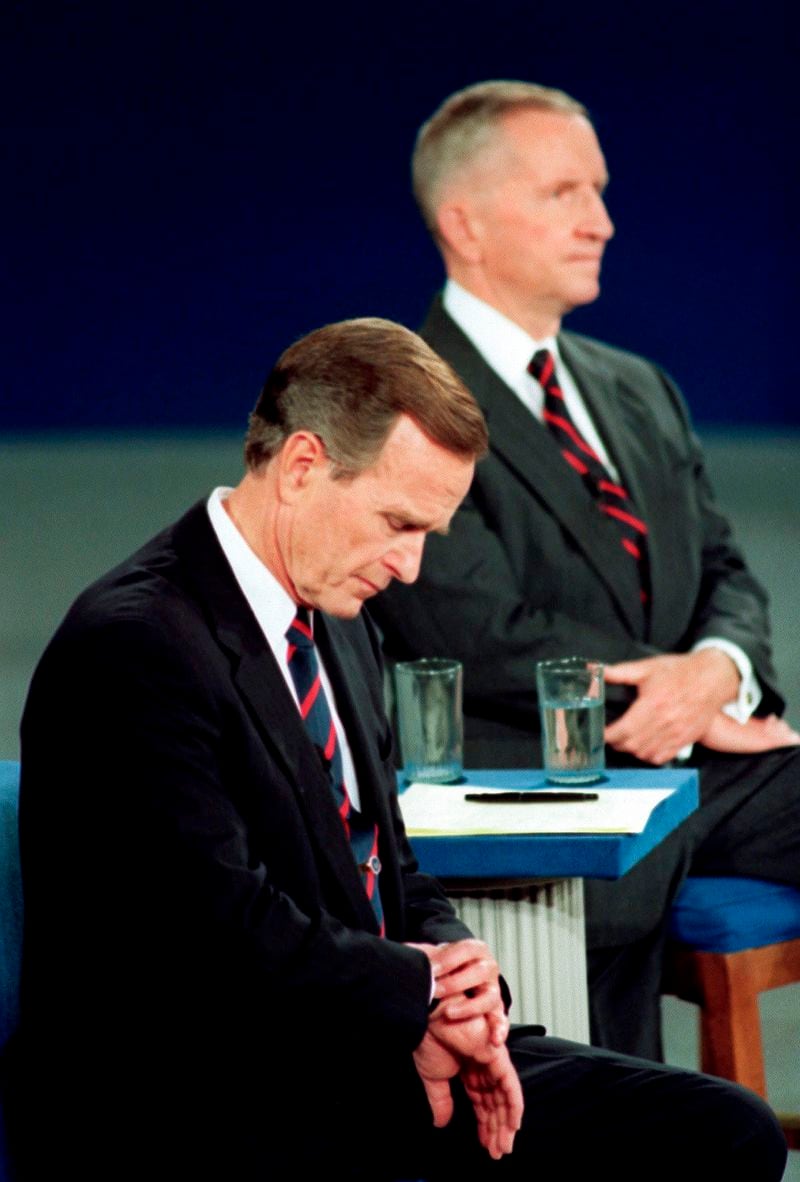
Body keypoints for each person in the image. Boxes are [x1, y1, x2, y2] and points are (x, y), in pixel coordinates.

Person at [7, 317, 786, 1180]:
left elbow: (392, 866)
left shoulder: (338, 621)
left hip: (359, 1055)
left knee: (722, 1132)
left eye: (429, 535)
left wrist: (463, 987)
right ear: (302, 467)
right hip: (200, 1105)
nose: (410, 568)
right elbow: (217, 935)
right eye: (398, 522)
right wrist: (419, 998)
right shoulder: (134, 647)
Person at [370, 80, 800, 1058]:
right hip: (534, 780)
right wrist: (673, 690)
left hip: (696, 766)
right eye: (564, 193)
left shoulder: (636, 387)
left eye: (599, 192)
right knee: (615, 1116)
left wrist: (716, 674)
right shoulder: (401, 400)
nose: (600, 222)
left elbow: (726, 569)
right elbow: (473, 629)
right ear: (464, 224)